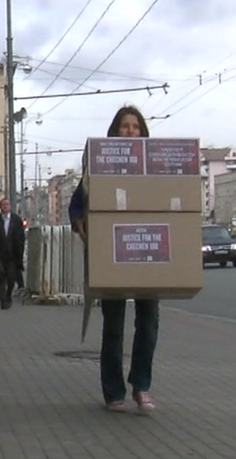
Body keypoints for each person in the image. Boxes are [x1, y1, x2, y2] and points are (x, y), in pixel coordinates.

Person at [68, 105, 158, 414]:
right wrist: (78, 219)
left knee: (148, 323)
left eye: (135, 127)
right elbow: (78, 201)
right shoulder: (100, 166)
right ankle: (113, 391)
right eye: (124, 126)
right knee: (114, 326)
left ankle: (142, 385)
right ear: (114, 132)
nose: (130, 131)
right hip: (112, 253)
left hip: (149, 253)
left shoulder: (155, 166)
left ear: (143, 132)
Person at [0, 198, 25, 309]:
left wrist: (20, 252)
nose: (5, 206)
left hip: (12, 255)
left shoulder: (16, 220)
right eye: (3, 205)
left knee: (11, 278)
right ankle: (3, 300)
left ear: (10, 206)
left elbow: (21, 237)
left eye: (7, 204)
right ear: (0, 207)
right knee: (0, 279)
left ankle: (8, 294)